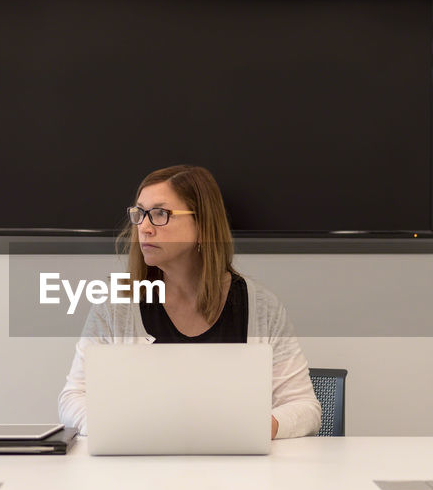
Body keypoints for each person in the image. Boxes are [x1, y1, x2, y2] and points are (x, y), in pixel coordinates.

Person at [58, 165, 321, 439]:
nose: (144, 228)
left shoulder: (261, 308)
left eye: (160, 214)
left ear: (203, 223)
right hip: (138, 473)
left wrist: (253, 429)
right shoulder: (115, 307)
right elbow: (72, 398)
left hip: (238, 473)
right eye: (139, 215)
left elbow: (305, 408)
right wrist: (117, 429)